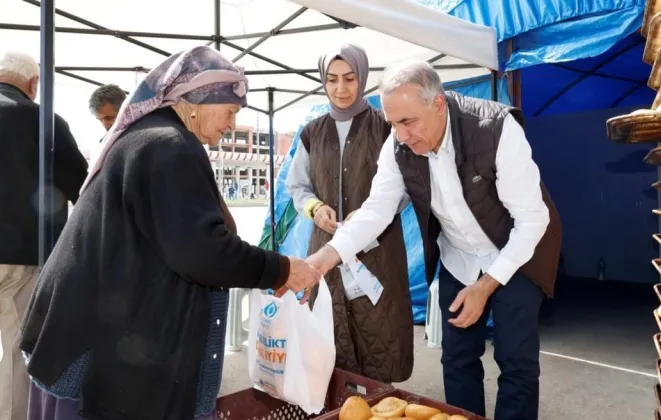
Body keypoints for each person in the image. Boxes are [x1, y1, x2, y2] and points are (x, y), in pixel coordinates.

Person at [18, 46, 320, 420]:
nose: (230, 123)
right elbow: (201, 251)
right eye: (230, 111)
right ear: (197, 101)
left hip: (91, 331)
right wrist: (282, 269)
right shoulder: (170, 146)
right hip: (99, 348)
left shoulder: (150, 138)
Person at [305, 60, 562, 420]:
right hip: (459, 258)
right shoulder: (398, 144)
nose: (402, 134)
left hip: (516, 253)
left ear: (438, 104)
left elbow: (533, 219)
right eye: (394, 123)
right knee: (457, 357)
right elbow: (378, 209)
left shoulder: (494, 128)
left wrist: (486, 285)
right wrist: (326, 257)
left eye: (408, 121)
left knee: (516, 360)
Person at [285, 44, 413, 384]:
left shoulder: (385, 127)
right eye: (332, 80)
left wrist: (372, 214)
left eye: (350, 78)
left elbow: (405, 187)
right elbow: (297, 187)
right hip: (325, 246)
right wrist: (315, 208)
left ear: (364, 78)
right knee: (331, 332)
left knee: (378, 334)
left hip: (377, 251)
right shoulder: (312, 132)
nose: (341, 89)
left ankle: (379, 404)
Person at [0, 50, 88, 420]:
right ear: (34, 84)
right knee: (19, 352)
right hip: (22, 256)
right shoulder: (41, 120)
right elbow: (82, 185)